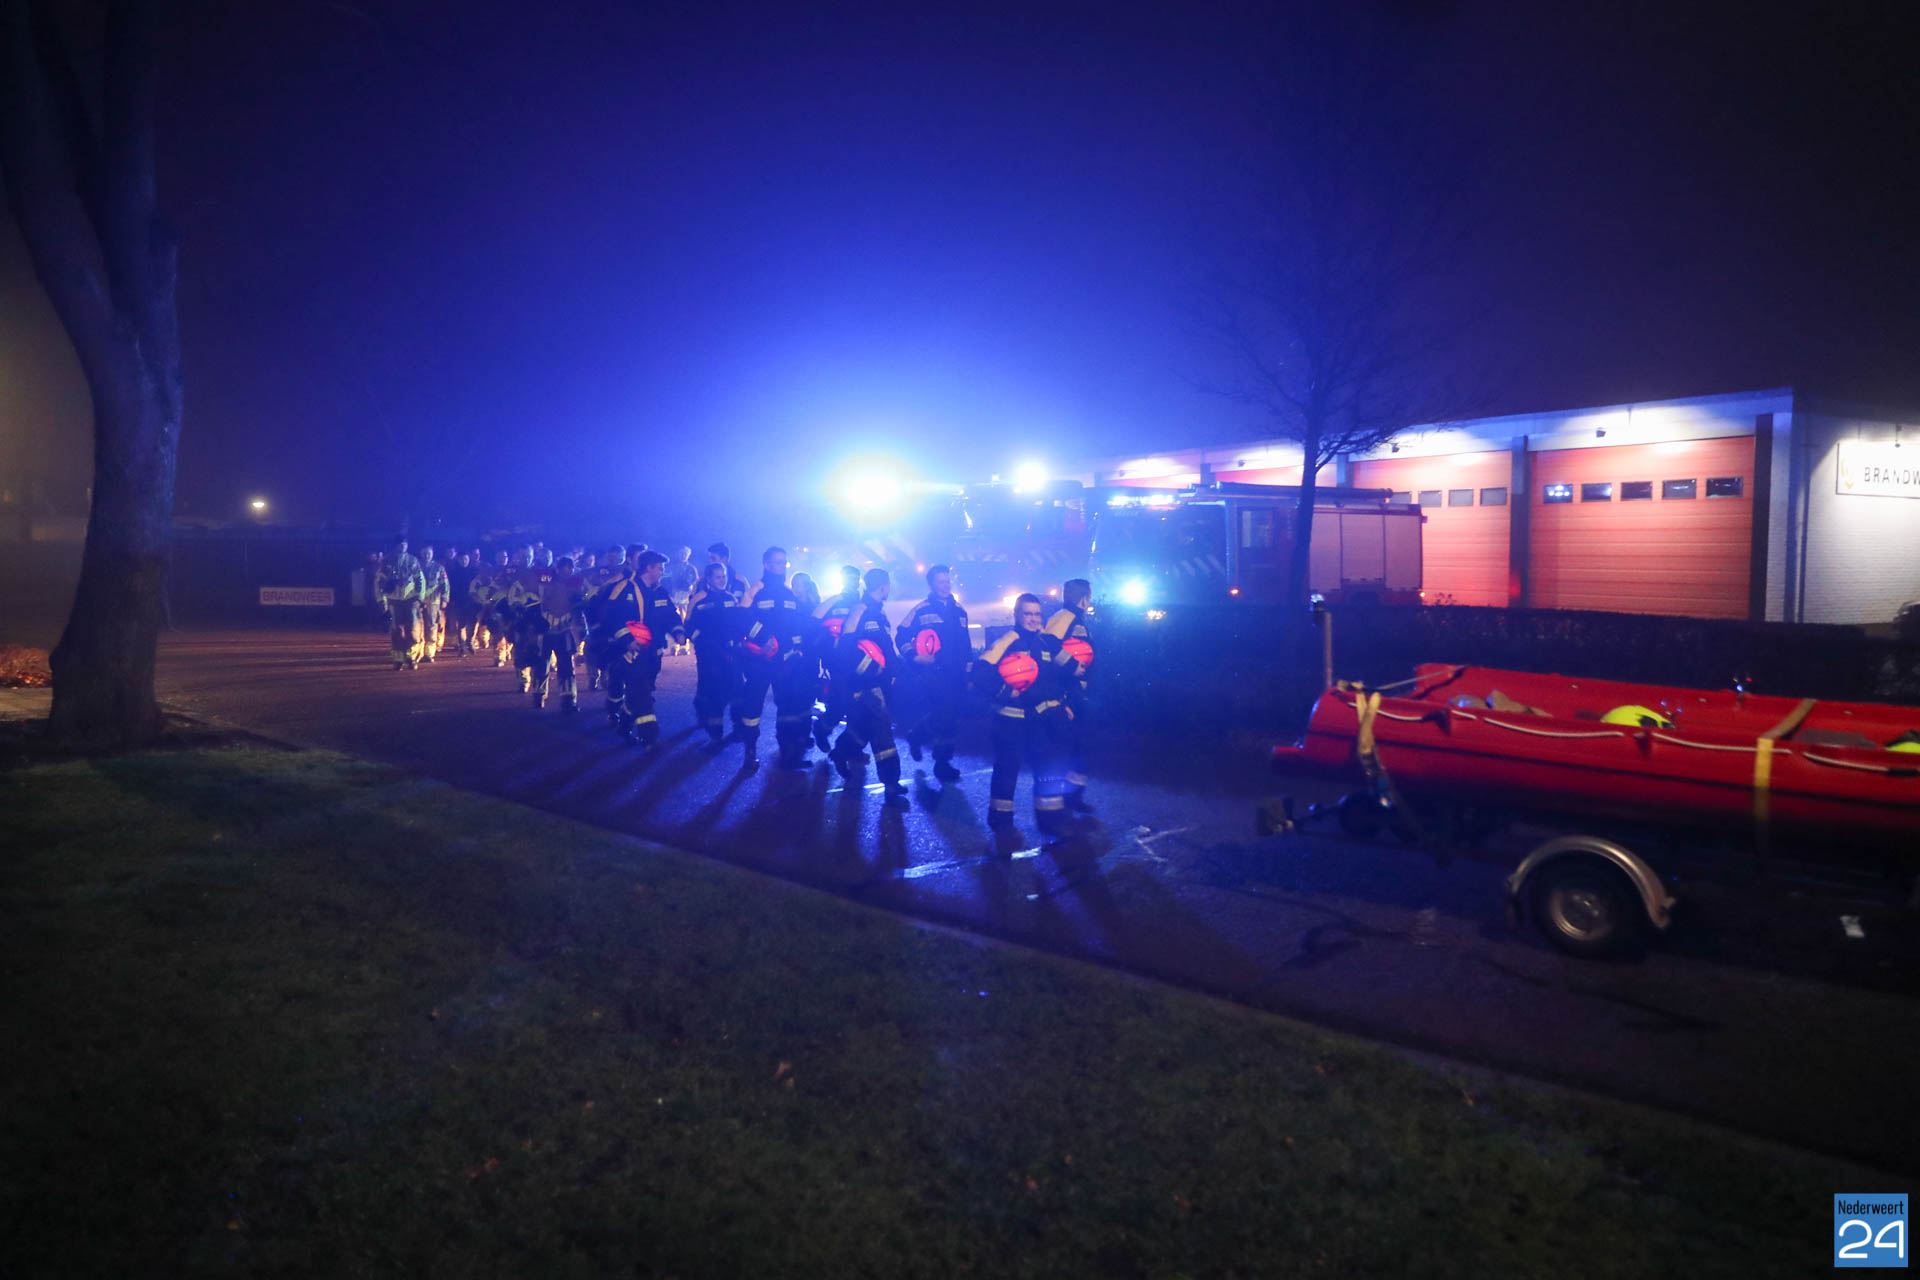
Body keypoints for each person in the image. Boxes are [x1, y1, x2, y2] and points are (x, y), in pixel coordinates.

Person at [976, 592, 1071, 836]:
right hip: (1011, 722)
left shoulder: (1044, 643)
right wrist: (1006, 691)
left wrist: (1062, 703)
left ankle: (1050, 820)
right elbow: (980, 671)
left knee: (1047, 769)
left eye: (1037, 614)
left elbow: (1051, 681)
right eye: (1027, 614)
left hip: (1039, 721)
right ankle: (1001, 824)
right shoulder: (1008, 641)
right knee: (1007, 773)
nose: (1033, 619)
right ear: (1016, 615)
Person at [831, 567, 909, 806]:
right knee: (883, 734)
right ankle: (891, 785)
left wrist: (895, 668)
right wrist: (871, 668)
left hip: (880, 683)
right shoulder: (860, 611)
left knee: (863, 728)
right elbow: (845, 649)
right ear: (884, 587)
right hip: (866, 686)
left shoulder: (878, 613)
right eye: (889, 585)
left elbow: (883, 647)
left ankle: (840, 752)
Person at [732, 546, 812, 770]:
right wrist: (763, 637)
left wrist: (798, 649)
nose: (782, 567)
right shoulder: (755, 590)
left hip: (784, 662)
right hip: (759, 661)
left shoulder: (788, 593)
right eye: (777, 562)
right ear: (766, 565)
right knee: (752, 708)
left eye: (784, 562)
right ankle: (750, 754)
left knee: (787, 708)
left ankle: (789, 755)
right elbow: (740, 618)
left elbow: (795, 625)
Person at [599, 549, 684, 746]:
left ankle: (624, 725)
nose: (662, 571)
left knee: (639, 692)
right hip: (633, 653)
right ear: (649, 568)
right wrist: (627, 640)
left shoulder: (660, 591)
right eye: (660, 568)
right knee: (642, 694)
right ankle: (649, 737)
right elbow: (611, 618)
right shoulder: (624, 589)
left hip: (654, 653)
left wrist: (678, 632)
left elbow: (671, 616)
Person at [896, 563, 972, 782]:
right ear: (931, 584)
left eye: (947, 581)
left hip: (956, 674)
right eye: (941, 582)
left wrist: (969, 674)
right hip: (934, 673)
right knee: (944, 714)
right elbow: (901, 636)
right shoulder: (921, 610)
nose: (945, 585)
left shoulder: (960, 611)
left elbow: (966, 645)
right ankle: (942, 763)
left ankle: (916, 736)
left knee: (949, 715)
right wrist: (914, 657)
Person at [1044, 578, 1096, 811]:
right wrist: (1072, 666)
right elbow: (1048, 645)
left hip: (1077, 691)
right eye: (1088, 597)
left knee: (1081, 745)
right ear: (1084, 599)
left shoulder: (1073, 618)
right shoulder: (1065, 618)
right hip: (1068, 692)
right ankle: (1067, 797)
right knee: (1073, 744)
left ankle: (1074, 796)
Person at [685, 560, 740, 745]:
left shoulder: (730, 598)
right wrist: (704, 644)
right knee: (712, 689)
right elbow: (689, 626)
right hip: (708, 654)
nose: (722, 580)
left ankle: (738, 727)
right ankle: (714, 731)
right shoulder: (699, 599)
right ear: (708, 579)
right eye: (718, 577)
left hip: (730, 653)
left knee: (734, 688)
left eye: (723, 576)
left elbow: (737, 626)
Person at [811, 565, 864, 755]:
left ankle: (853, 749)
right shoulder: (832, 603)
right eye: (849, 578)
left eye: (855, 578)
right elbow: (814, 629)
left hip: (860, 662)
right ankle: (821, 728)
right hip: (838, 663)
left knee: (858, 706)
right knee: (841, 703)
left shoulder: (863, 604)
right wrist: (827, 650)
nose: (852, 581)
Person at [528, 555, 585, 710]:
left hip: (565, 630)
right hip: (544, 629)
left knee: (566, 665)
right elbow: (531, 598)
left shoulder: (577, 583)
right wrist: (534, 617)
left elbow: (581, 606)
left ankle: (568, 698)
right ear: (557, 569)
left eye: (570, 568)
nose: (568, 571)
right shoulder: (544, 580)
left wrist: (581, 625)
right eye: (564, 568)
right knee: (541, 664)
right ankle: (538, 695)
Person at [579, 544, 629, 691]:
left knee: (613, 649)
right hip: (597, 617)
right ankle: (593, 676)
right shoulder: (600, 572)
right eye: (611, 557)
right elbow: (584, 579)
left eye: (616, 557)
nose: (613, 560)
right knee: (592, 648)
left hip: (618, 618)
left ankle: (608, 676)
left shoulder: (628, 574)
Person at [374, 536, 426, 670]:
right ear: (395, 546)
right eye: (400, 544)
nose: (403, 546)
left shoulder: (413, 560)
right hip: (394, 601)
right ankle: (398, 658)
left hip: (410, 600)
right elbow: (379, 582)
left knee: (412, 630)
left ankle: (411, 656)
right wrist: (381, 600)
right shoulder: (386, 562)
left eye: (405, 544)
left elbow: (420, 580)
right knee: (396, 631)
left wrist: (420, 598)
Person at [418, 545, 450, 663]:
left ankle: (429, 653)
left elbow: (445, 584)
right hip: (418, 601)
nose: (427, 555)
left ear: (432, 554)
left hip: (433, 601)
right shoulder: (416, 566)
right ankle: (418, 652)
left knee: (432, 626)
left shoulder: (439, 568)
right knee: (418, 627)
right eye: (424, 553)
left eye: (429, 553)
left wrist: (445, 599)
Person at [446, 550, 480, 657]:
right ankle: (462, 646)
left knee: (473, 623)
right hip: (459, 601)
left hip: (472, 601)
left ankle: (470, 641)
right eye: (462, 559)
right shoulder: (453, 572)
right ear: (458, 559)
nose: (464, 561)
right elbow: (450, 587)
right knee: (461, 624)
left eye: (466, 559)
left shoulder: (474, 571)